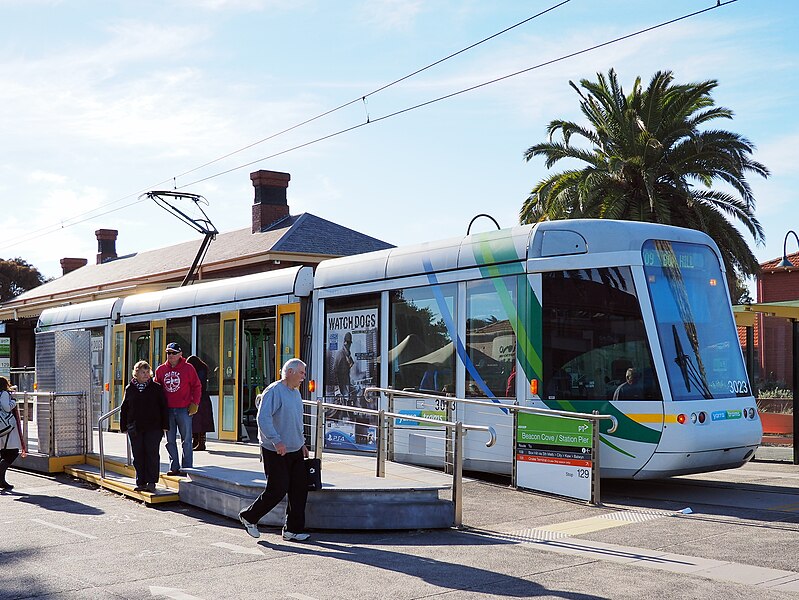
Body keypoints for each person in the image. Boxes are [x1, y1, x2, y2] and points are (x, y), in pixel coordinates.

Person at [239, 358, 310, 542]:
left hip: (295, 449)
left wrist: (302, 443)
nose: (304, 376)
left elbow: (296, 421)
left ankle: (292, 530)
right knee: (277, 489)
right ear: (290, 372)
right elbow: (263, 419)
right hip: (275, 450)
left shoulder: (295, 393)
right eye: (301, 372)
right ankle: (249, 517)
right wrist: (276, 441)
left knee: (299, 490)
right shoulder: (274, 391)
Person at [119, 361, 168, 492]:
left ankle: (152, 482)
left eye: (147, 372)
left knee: (152, 454)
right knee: (138, 454)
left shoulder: (156, 388)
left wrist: (165, 426)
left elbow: (163, 407)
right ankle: (140, 482)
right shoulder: (130, 388)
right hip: (135, 427)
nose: (146, 375)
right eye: (143, 372)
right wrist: (123, 426)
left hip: (154, 427)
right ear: (136, 373)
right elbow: (124, 408)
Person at [155, 342, 201, 476]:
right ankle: (174, 466)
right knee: (170, 440)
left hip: (184, 409)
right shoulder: (161, 370)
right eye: (168, 353)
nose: (170, 355)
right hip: (167, 410)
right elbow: (157, 389)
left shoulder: (189, 368)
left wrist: (195, 403)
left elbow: (197, 386)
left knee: (186, 440)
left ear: (180, 354)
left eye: (173, 353)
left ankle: (187, 467)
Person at [0, 376, 26, 491]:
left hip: (1, 426)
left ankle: (2, 481)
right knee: (12, 453)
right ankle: (0, 477)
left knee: (4, 453)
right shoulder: (4, 393)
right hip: (7, 427)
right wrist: (13, 402)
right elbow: (6, 407)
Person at [186, 355, 215, 451]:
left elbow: (198, 384)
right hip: (203, 398)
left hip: (199, 398)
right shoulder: (203, 369)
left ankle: (199, 442)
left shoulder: (199, 371)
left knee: (198, 421)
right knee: (200, 422)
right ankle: (198, 441)